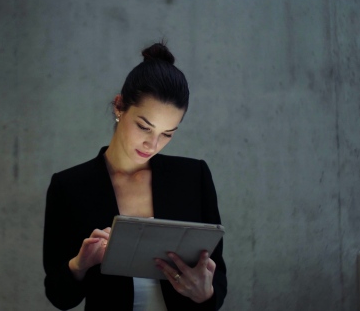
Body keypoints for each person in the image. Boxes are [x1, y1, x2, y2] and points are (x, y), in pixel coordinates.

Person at [43, 42, 227, 311]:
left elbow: (217, 278)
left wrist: (205, 293)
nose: (152, 145)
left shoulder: (192, 177)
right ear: (119, 106)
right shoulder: (70, 186)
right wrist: (80, 265)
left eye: (167, 134)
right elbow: (59, 297)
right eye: (144, 126)